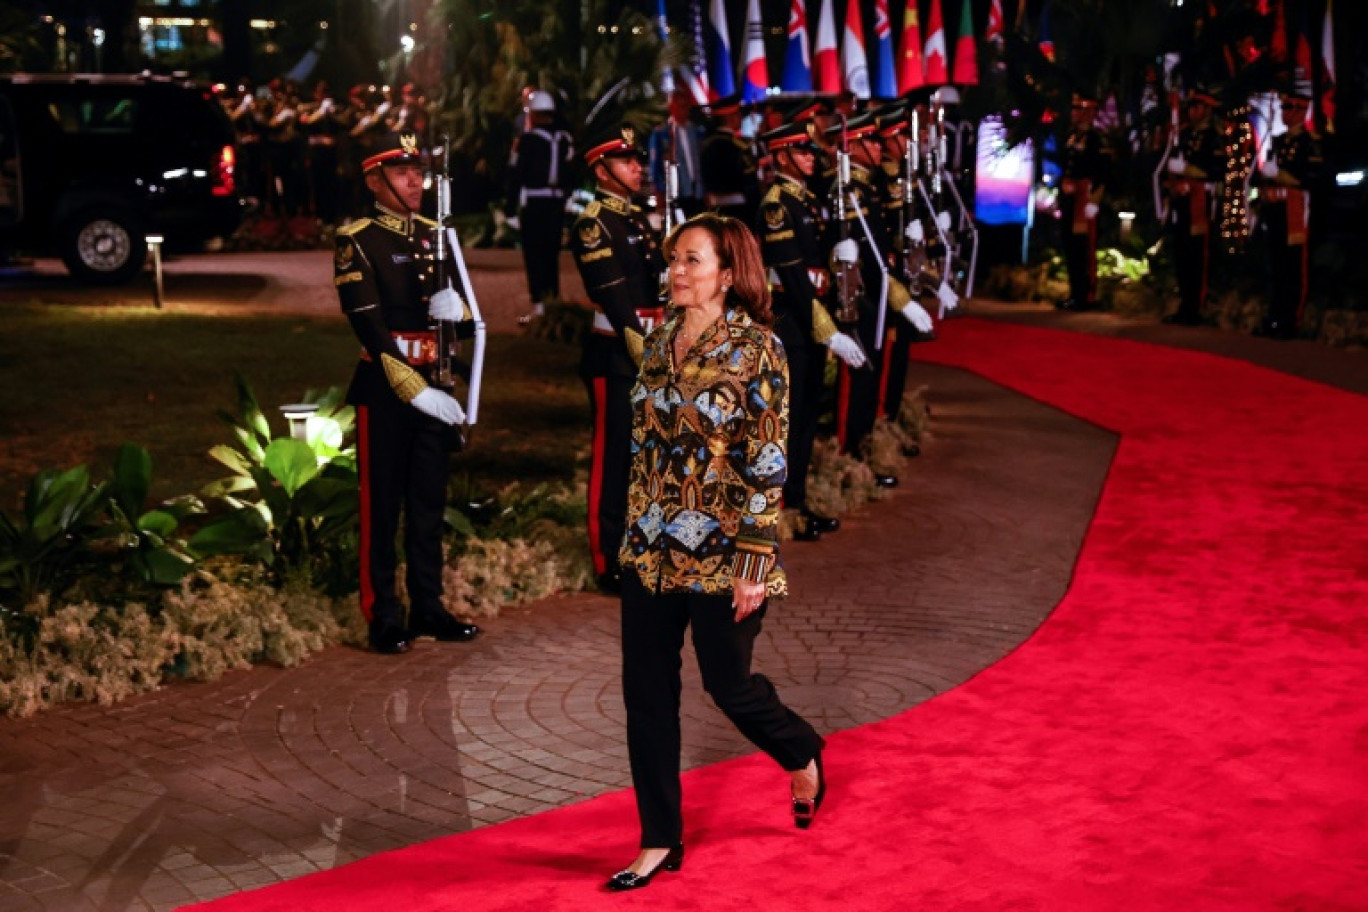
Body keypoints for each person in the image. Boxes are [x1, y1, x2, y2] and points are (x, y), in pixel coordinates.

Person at [607, 214, 826, 892]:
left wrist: (754, 565)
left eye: (691, 261)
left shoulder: (760, 349)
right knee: (645, 694)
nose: (674, 271)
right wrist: (629, 537)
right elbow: (641, 451)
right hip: (650, 550)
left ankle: (800, 750)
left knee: (727, 685)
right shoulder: (657, 342)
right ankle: (657, 838)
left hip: (724, 554)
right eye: (672, 259)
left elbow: (768, 461)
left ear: (728, 275)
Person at [333, 131, 481, 654]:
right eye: (401, 173)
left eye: (418, 172)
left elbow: (466, 320)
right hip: (386, 388)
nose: (415, 182)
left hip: (436, 385)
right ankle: (383, 615)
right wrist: (413, 389)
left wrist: (456, 312)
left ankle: (429, 607)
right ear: (375, 181)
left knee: (426, 503)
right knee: (382, 506)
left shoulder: (435, 236)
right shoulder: (358, 239)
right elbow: (367, 324)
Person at [756, 121, 866, 541]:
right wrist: (825, 328)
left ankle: (796, 503)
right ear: (782, 156)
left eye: (810, 153)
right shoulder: (777, 204)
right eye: (801, 153)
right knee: (787, 420)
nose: (810, 159)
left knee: (804, 418)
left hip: (810, 318)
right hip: (790, 319)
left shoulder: (809, 201)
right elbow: (793, 276)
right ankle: (778, 507)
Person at [569, 123, 665, 594]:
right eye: (627, 162)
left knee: (645, 460)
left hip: (649, 349)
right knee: (613, 461)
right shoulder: (594, 222)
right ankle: (608, 558)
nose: (638, 168)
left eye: (638, 161)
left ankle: (641, 548)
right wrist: (644, 351)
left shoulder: (635, 219)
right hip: (616, 355)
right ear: (602, 171)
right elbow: (613, 297)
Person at [1252, 90, 1322, 340]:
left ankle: (1291, 320)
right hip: (1276, 209)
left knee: (1293, 267)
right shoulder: (1280, 140)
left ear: (1303, 111)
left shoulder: (1309, 142)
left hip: (1295, 211)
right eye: (1284, 107)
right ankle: (1275, 317)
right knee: (1277, 265)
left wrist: (1281, 175)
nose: (1285, 112)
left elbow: (1312, 178)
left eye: (1291, 107)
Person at [506, 90, 574, 322]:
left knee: (534, 255)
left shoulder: (526, 141)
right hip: (556, 204)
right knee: (551, 255)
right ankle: (552, 300)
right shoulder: (565, 140)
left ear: (534, 114)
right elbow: (570, 174)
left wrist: (509, 208)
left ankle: (539, 305)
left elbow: (516, 175)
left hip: (533, 204)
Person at [1161, 86, 1224, 326]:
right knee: (1182, 255)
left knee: (1197, 256)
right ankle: (1185, 305)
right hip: (1182, 201)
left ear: (1207, 109)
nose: (1192, 111)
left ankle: (1195, 307)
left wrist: (1186, 171)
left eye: (1196, 107)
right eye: (1190, 107)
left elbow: (1216, 170)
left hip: (1201, 202)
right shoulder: (1186, 135)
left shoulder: (1213, 137)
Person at [1056, 94, 1109, 311]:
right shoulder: (1071, 135)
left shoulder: (1096, 138)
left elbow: (1103, 171)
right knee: (1071, 247)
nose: (1074, 113)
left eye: (1079, 109)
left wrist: (1094, 199)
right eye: (1074, 109)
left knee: (1085, 248)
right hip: (1070, 198)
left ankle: (1086, 295)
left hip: (1085, 199)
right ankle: (1075, 292)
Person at [700, 94, 760, 224]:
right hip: (740, 211)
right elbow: (750, 184)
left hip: (714, 210)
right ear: (731, 118)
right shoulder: (738, 146)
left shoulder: (706, 145)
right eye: (738, 115)